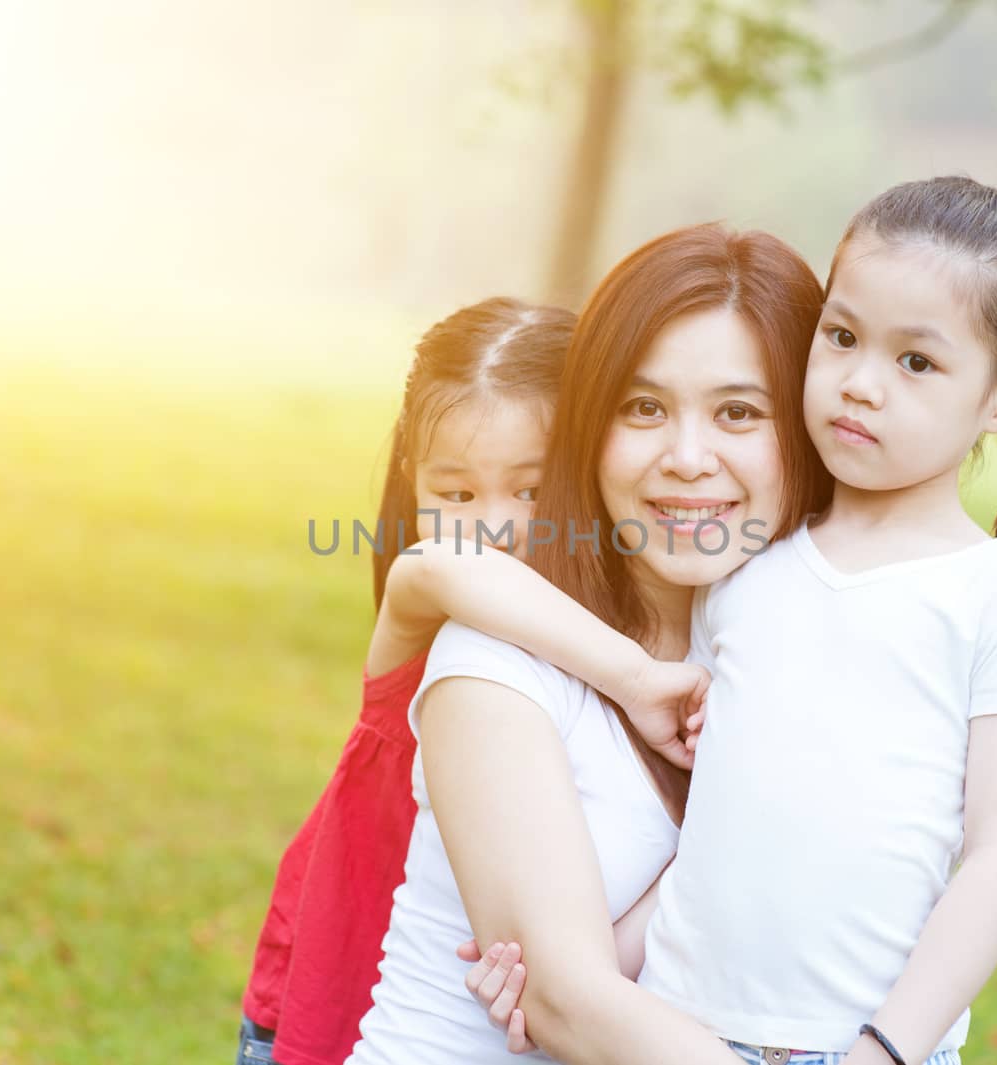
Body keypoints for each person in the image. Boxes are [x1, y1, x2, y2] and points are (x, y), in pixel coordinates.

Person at [458, 176, 997, 1065]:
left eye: (916, 362)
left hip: (860, 1047)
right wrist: (569, 977)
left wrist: (886, 1050)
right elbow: (711, 838)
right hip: (673, 1032)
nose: (859, 384)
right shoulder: (746, 569)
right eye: (842, 336)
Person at [345, 222, 829, 1065]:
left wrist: (591, 971)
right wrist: (575, 986)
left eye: (739, 411)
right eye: (643, 407)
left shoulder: (776, 654)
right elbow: (568, 1007)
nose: (686, 457)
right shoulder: (493, 662)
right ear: (588, 429)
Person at [236, 297, 577, 1065]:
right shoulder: (420, 598)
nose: (492, 526)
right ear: (410, 481)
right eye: (456, 494)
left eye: (531, 489)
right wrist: (640, 674)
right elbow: (445, 565)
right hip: (333, 997)